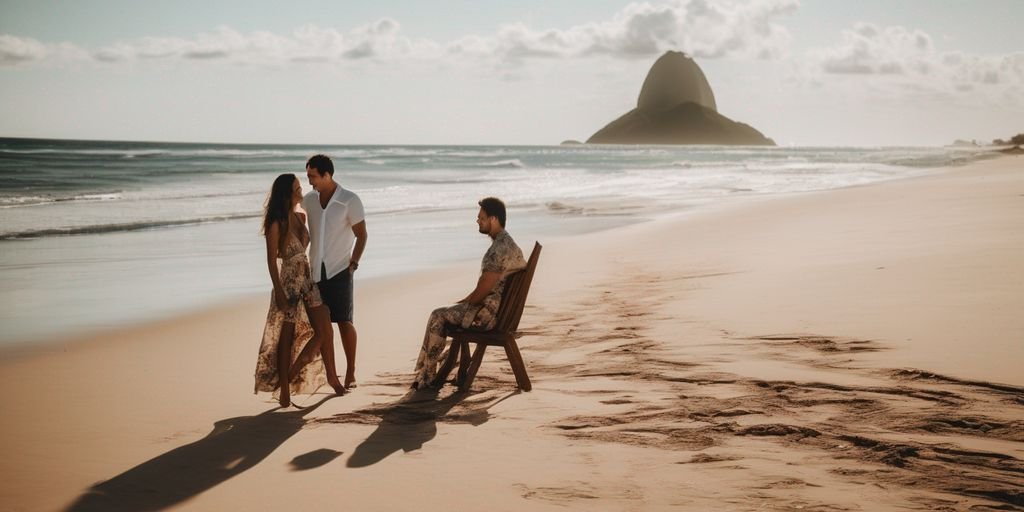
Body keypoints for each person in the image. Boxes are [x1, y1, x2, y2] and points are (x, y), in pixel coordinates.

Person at [411, 197, 527, 389]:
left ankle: (427, 375)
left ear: (494, 219)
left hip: (486, 316)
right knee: (444, 313)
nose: (477, 221)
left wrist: (468, 301)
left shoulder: (498, 249)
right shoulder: (507, 243)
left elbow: (486, 287)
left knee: (437, 316)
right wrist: (466, 301)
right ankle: (432, 369)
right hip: (497, 311)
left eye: (481, 217)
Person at [254, 174, 346, 407]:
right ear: (287, 193)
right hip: (288, 283)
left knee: (323, 327)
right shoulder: (276, 223)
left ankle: (300, 372)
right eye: (296, 188)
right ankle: (285, 388)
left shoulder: (301, 216)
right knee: (286, 337)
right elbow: (271, 261)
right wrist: (279, 292)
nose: (301, 191)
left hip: (307, 279)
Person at [303, 154, 367, 390]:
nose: (310, 181)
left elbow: (362, 234)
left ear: (327, 175)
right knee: (322, 328)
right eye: (308, 176)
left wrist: (354, 262)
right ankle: (332, 375)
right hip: (314, 272)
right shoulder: (308, 200)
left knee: (344, 321)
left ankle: (351, 371)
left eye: (313, 176)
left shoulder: (349, 200)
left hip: (340, 269)